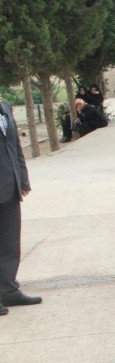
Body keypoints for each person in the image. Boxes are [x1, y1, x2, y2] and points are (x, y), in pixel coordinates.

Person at [0, 98, 41, 315]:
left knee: (10, 241)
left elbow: (15, 146)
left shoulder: (4, 105)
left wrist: (23, 179)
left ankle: (8, 290)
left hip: (9, 184)